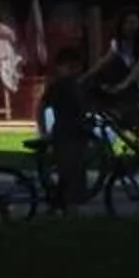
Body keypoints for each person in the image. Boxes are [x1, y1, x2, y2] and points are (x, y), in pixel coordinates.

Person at [38, 44, 95, 211]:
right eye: (68, 66)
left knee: (73, 173)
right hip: (66, 135)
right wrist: (43, 132)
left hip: (76, 134)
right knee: (69, 173)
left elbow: (84, 109)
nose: (72, 70)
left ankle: (65, 206)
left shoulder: (77, 86)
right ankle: (66, 207)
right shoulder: (59, 86)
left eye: (75, 67)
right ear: (59, 67)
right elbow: (41, 107)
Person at [87, 10, 139, 130]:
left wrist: (123, 85)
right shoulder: (119, 43)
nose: (132, 26)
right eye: (128, 22)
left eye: (135, 22)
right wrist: (85, 77)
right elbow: (104, 62)